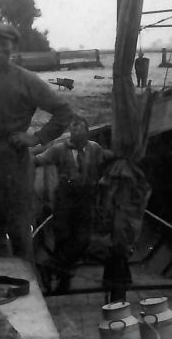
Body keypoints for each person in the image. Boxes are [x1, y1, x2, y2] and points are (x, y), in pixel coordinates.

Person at [0, 23, 73, 261]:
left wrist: (36, 138)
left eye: (3, 45)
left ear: (13, 48)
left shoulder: (27, 80)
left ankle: (25, 277)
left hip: (13, 157)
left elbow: (63, 111)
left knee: (18, 223)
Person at [34, 115, 114, 293]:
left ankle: (50, 266)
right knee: (63, 238)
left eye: (79, 128)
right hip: (65, 197)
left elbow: (106, 157)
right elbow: (38, 160)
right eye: (73, 128)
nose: (76, 132)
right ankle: (63, 283)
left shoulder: (94, 148)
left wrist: (121, 157)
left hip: (85, 197)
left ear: (87, 131)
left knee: (82, 240)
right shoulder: (59, 149)